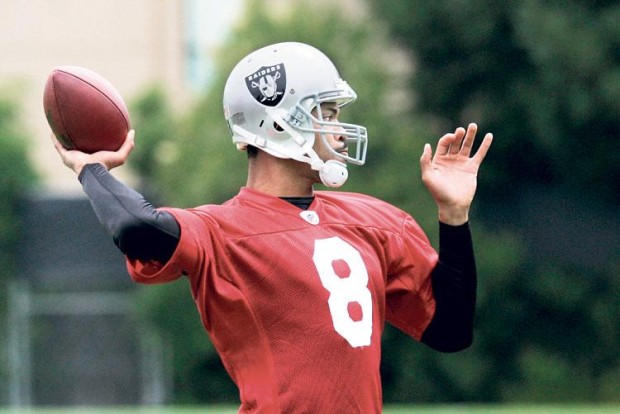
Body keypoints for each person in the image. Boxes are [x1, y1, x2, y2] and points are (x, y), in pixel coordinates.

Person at [52, 42, 492, 413]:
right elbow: (135, 226)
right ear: (280, 122)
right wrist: (92, 170)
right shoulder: (222, 232)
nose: (339, 131)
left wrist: (454, 217)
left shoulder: (375, 221)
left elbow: (450, 331)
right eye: (327, 112)